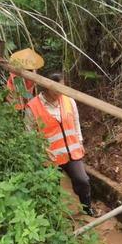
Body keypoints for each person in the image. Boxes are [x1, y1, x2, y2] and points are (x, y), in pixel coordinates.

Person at [25, 72, 95, 217]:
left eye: (62, 87)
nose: (61, 91)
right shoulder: (32, 107)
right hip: (50, 157)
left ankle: (87, 209)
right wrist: (41, 150)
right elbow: (29, 134)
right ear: (46, 88)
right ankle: (57, 218)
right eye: (57, 88)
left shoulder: (69, 101)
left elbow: (76, 123)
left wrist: (80, 141)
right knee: (52, 189)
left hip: (71, 152)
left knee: (83, 180)